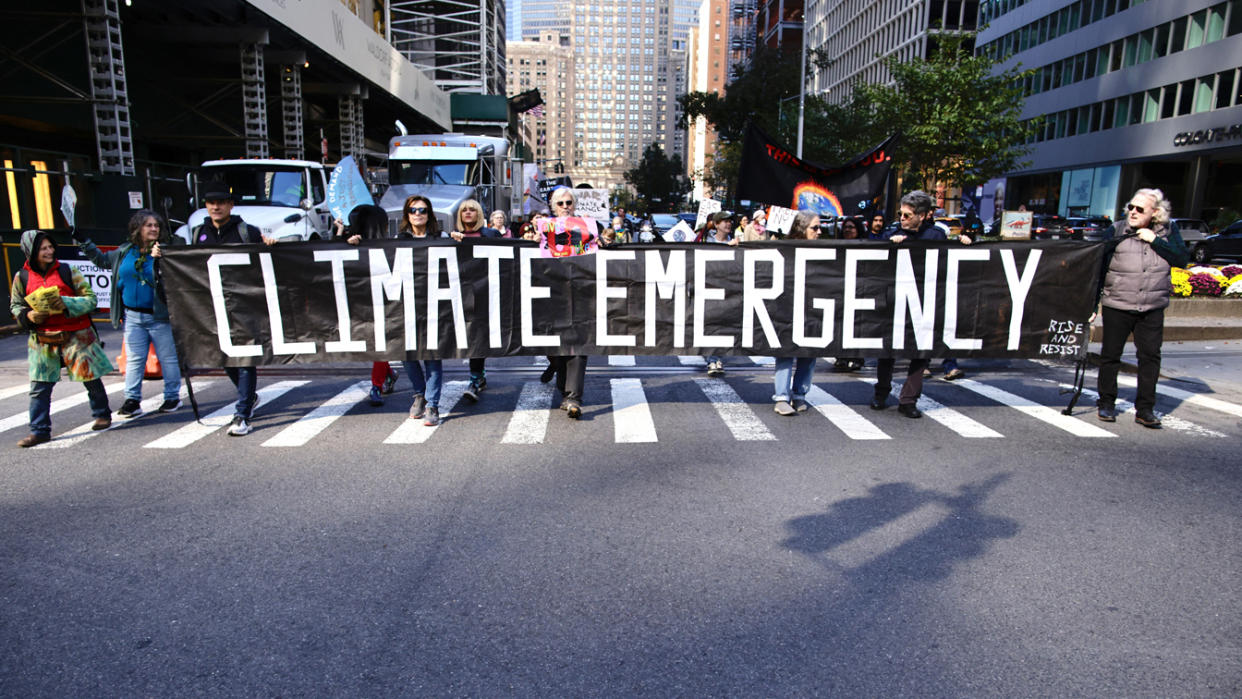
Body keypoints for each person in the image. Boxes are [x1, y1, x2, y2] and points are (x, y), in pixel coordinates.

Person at [10, 230, 114, 447]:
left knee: (90, 378)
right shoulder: (22, 277)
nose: (49, 251)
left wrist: (66, 303)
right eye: (43, 248)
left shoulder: (68, 270)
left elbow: (91, 299)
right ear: (31, 252)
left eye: (50, 247)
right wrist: (28, 315)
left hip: (77, 335)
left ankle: (102, 414)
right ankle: (39, 431)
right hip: (43, 338)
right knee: (39, 387)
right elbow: (16, 305)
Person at [1094, 187, 1188, 428]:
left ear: (1155, 213)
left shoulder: (1168, 232)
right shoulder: (1116, 230)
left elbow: (1181, 259)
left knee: (1149, 357)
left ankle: (1145, 409)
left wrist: (1155, 240)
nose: (1132, 212)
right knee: (1110, 356)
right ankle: (1106, 402)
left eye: (1139, 209)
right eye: (1130, 207)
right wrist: (1093, 303)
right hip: (1118, 303)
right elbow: (1098, 266)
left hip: (1151, 306)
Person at [75, 209, 183, 419]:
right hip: (133, 316)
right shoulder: (125, 251)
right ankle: (132, 400)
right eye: (148, 225)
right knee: (134, 359)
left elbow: (174, 278)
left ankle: (172, 397)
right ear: (137, 229)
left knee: (168, 358)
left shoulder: (165, 251)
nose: (153, 229)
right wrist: (84, 242)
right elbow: (101, 261)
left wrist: (161, 259)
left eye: (156, 225)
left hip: (159, 316)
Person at [183, 180, 266, 436]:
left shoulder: (247, 232)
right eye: (211, 203)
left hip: (242, 306)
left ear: (230, 205)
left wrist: (270, 246)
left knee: (244, 357)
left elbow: (263, 260)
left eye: (221, 202)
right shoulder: (198, 233)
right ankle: (249, 396)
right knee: (224, 356)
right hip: (211, 306)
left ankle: (242, 414)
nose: (216, 207)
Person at [871, 190, 949, 418]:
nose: (902, 218)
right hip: (895, 300)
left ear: (923, 215)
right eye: (900, 213)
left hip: (924, 302)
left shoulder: (936, 236)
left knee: (921, 351)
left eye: (908, 214)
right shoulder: (892, 233)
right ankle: (881, 393)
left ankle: (908, 400)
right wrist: (889, 244)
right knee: (888, 350)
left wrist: (965, 244)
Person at [334, 204, 400, 406]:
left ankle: (376, 385)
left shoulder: (388, 244)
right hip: (360, 300)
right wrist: (341, 237)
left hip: (383, 302)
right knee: (373, 343)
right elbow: (330, 261)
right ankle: (388, 373)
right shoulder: (351, 242)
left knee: (379, 345)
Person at [393, 194, 448, 426]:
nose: (418, 214)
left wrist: (459, 240)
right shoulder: (398, 238)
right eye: (413, 210)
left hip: (435, 303)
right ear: (407, 214)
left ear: (429, 214)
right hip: (408, 303)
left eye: (423, 210)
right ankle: (419, 394)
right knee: (408, 353)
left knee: (432, 355)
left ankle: (432, 404)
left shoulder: (441, 236)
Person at [545, 186, 594, 418]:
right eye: (561, 203)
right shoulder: (542, 229)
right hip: (551, 295)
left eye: (569, 203)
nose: (565, 207)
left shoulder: (587, 228)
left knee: (578, 343)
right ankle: (562, 384)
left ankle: (573, 397)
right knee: (557, 346)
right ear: (553, 206)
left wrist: (600, 241)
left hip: (580, 293)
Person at [448, 199, 502, 403]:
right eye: (464, 210)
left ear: (479, 213)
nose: (468, 213)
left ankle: (477, 377)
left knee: (478, 335)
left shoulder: (490, 234)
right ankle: (477, 376)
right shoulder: (452, 236)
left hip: (486, 292)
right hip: (461, 292)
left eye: (472, 210)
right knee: (470, 335)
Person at [772, 211, 822, 416]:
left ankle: (799, 394)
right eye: (814, 228)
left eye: (820, 228)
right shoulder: (785, 249)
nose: (819, 232)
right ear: (802, 229)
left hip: (813, 307)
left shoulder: (825, 249)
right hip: (787, 307)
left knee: (809, 352)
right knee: (786, 352)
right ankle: (782, 397)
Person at [701, 210, 739, 377]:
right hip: (708, 288)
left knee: (722, 326)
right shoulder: (706, 243)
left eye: (730, 221)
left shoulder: (737, 242)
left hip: (728, 290)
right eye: (724, 221)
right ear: (716, 224)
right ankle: (712, 359)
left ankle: (716, 357)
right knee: (710, 325)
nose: (728, 223)